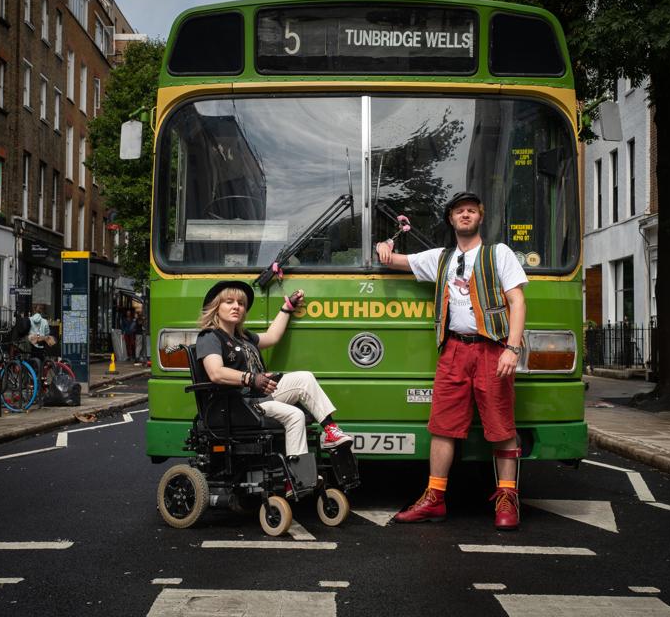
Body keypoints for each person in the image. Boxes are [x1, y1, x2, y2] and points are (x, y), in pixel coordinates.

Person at [375, 192, 528, 530]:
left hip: (492, 349)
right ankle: (435, 498)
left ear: (480, 218)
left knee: (501, 426)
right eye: (459, 211)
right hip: (453, 350)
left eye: (471, 210)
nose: (465, 215)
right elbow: (394, 261)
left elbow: (517, 301)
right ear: (451, 219)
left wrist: (512, 348)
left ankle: (507, 498)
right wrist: (384, 245)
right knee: (443, 426)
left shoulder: (498, 253)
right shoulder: (440, 258)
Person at [197, 280, 352, 458]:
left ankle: (331, 430)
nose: (236, 307)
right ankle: (297, 472)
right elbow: (216, 373)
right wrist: (251, 378)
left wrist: (287, 308)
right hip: (238, 404)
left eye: (241, 303)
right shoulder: (210, 337)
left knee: (305, 377)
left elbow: (272, 336)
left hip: (258, 396)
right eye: (229, 302)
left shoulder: (243, 337)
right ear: (216, 307)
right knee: (295, 414)